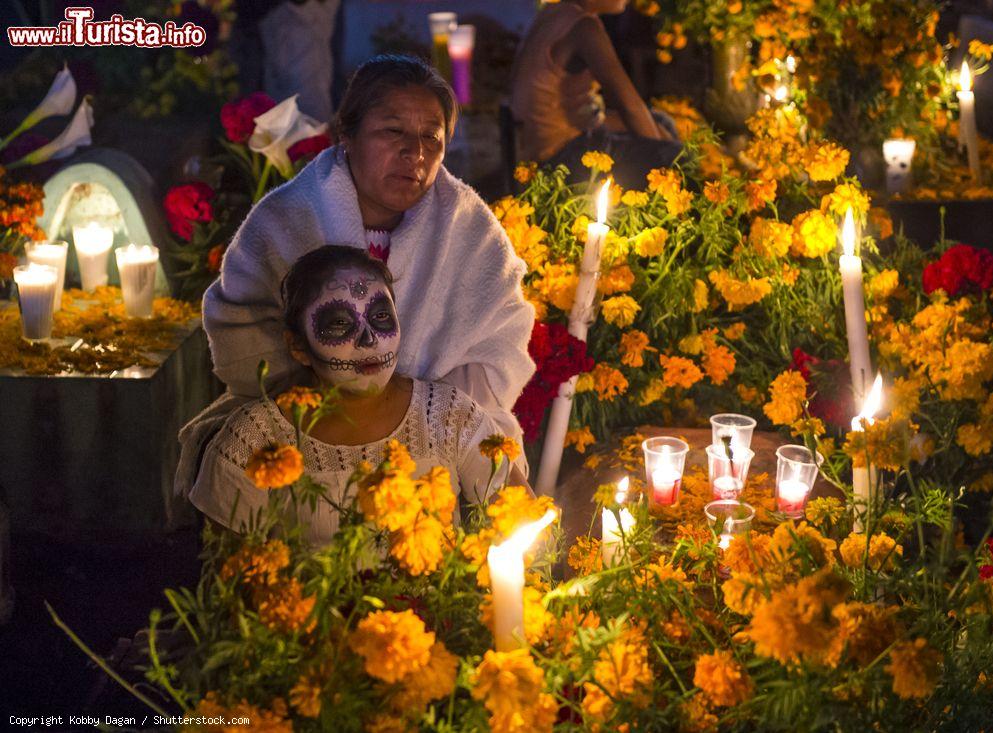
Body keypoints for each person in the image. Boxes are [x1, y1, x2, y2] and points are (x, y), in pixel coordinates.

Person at [176, 55, 535, 497]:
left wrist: (414, 414)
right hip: (306, 424)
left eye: (431, 137)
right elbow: (241, 335)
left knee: (499, 490)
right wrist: (343, 407)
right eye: (392, 131)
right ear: (347, 134)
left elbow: (499, 351)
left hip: (437, 434)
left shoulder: (471, 230)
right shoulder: (286, 217)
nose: (415, 153)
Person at [190, 246, 522, 545]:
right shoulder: (254, 441)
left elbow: (523, 522)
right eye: (339, 324)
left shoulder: (449, 416)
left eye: (380, 316)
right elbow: (229, 586)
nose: (369, 341)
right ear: (297, 346)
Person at [509, 0, 683, 189]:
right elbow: (629, 106)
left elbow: (573, 109)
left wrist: (656, 133)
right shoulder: (584, 28)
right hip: (556, 160)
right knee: (676, 158)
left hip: (544, 141)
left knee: (662, 122)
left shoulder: (557, 10)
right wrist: (665, 153)